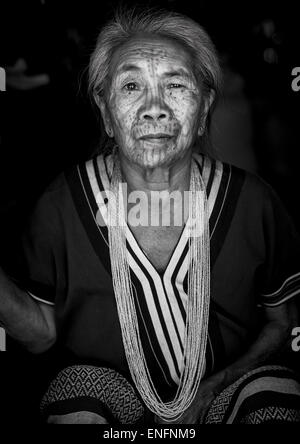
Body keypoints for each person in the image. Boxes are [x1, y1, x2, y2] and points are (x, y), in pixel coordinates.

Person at [1, 8, 300, 424]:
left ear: (205, 106)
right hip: (109, 387)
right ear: (106, 112)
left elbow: (282, 322)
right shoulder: (62, 203)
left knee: (275, 397)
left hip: (226, 386)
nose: (154, 108)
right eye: (131, 86)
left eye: (175, 85)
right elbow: (40, 334)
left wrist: (216, 384)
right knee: (74, 399)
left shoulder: (252, 202)